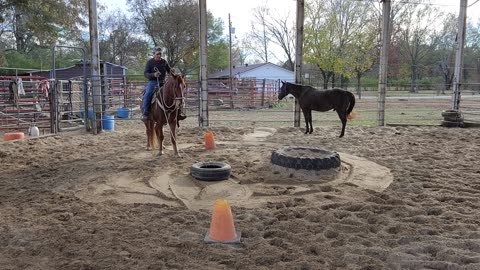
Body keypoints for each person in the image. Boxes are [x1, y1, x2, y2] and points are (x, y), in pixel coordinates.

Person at [142, 47, 186, 121]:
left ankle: (179, 113)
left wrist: (172, 71)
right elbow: (146, 74)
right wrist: (154, 74)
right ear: (154, 54)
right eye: (157, 54)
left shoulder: (164, 62)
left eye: (160, 54)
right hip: (153, 82)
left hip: (163, 82)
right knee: (148, 94)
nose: (159, 55)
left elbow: (169, 71)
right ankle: (145, 113)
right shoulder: (150, 62)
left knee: (175, 92)